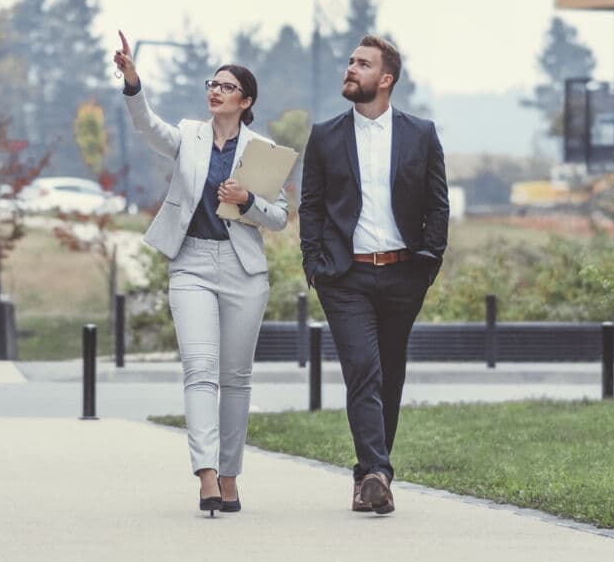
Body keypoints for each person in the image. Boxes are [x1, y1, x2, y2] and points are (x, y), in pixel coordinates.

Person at [113, 30, 290, 517]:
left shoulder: (263, 151)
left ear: (245, 100)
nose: (215, 90)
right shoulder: (189, 134)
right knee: (200, 370)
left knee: (235, 379)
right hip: (189, 261)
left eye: (226, 86)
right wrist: (133, 83)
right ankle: (206, 475)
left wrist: (247, 201)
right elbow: (148, 128)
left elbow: (279, 217)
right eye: (212, 83)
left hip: (242, 269)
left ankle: (230, 478)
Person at [298, 35, 448, 516]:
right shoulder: (325, 135)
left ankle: (367, 478)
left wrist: (429, 261)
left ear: (385, 79)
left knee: (390, 377)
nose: (350, 68)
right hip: (346, 277)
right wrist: (315, 266)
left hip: (403, 273)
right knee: (363, 370)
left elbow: (437, 203)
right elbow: (312, 206)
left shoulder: (420, 133)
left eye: (361, 64)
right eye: (349, 62)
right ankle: (380, 474)